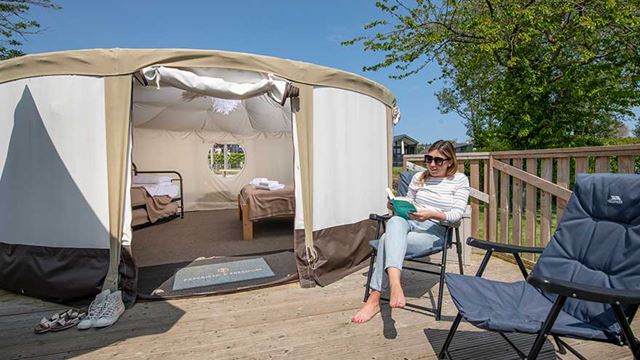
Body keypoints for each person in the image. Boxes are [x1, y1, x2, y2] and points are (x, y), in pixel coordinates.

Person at [351, 140, 470, 323]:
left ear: (449, 162)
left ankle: (375, 299)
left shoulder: (459, 180)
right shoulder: (420, 177)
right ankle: (395, 283)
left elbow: (455, 215)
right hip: (409, 222)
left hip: (434, 230)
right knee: (396, 220)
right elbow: (408, 202)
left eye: (438, 160)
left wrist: (431, 213)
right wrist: (393, 204)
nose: (432, 164)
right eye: (428, 158)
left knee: (385, 240)